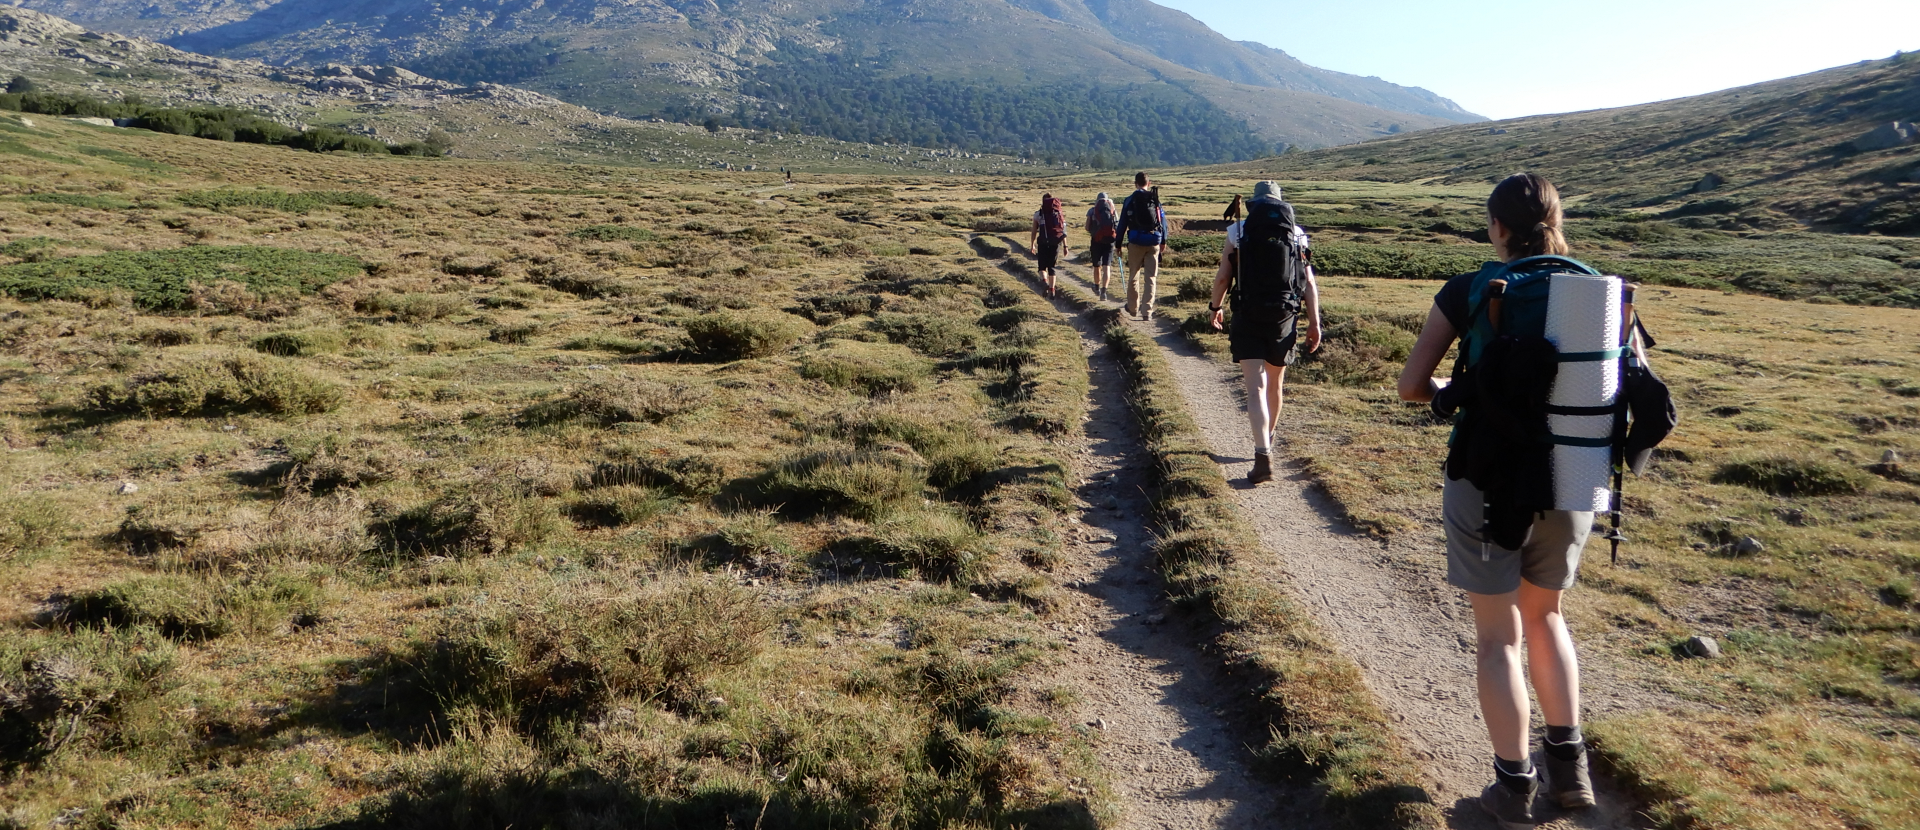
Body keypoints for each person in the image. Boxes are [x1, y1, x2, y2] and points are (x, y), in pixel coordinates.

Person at [1396, 173, 1604, 828]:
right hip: (1573, 471)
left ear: (1498, 228)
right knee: (1547, 618)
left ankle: (1513, 789)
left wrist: (1462, 395)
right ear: (1554, 221)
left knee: (1497, 639)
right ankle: (1571, 773)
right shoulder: (1593, 289)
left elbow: (1411, 385)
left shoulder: (1470, 288)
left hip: (1487, 477)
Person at [1208, 181, 1321, 485]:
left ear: (1254, 204)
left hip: (1247, 314)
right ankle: (1267, 439)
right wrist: (1314, 323)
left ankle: (1263, 455)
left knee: (1254, 386)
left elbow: (1223, 277)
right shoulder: (1297, 235)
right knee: (1275, 385)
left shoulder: (1238, 232)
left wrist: (1214, 307)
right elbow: (1308, 284)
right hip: (1284, 317)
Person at [1116, 172, 1168, 320]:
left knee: (1134, 275)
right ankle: (1147, 311)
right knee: (1151, 277)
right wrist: (1163, 240)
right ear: (1149, 183)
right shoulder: (1155, 199)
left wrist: (1118, 244)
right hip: (1154, 241)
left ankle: (1133, 307)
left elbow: (1122, 224)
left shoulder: (1130, 200)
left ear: (1135, 183)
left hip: (1135, 241)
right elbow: (1162, 222)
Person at [1029, 193, 1069, 296]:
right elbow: (1063, 232)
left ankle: (1045, 282)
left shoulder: (1038, 214)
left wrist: (1032, 244)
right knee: (1052, 267)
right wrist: (1065, 246)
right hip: (1056, 242)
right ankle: (1052, 289)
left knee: (1042, 267)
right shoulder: (1058, 213)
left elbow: (1034, 231)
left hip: (1042, 242)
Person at [1086, 192, 1120, 300]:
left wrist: (1094, 231)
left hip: (1096, 241)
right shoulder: (1113, 211)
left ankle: (1097, 287)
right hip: (1110, 241)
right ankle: (1104, 292)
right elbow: (1117, 226)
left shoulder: (1092, 211)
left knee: (1097, 266)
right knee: (1107, 267)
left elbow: (1087, 227)